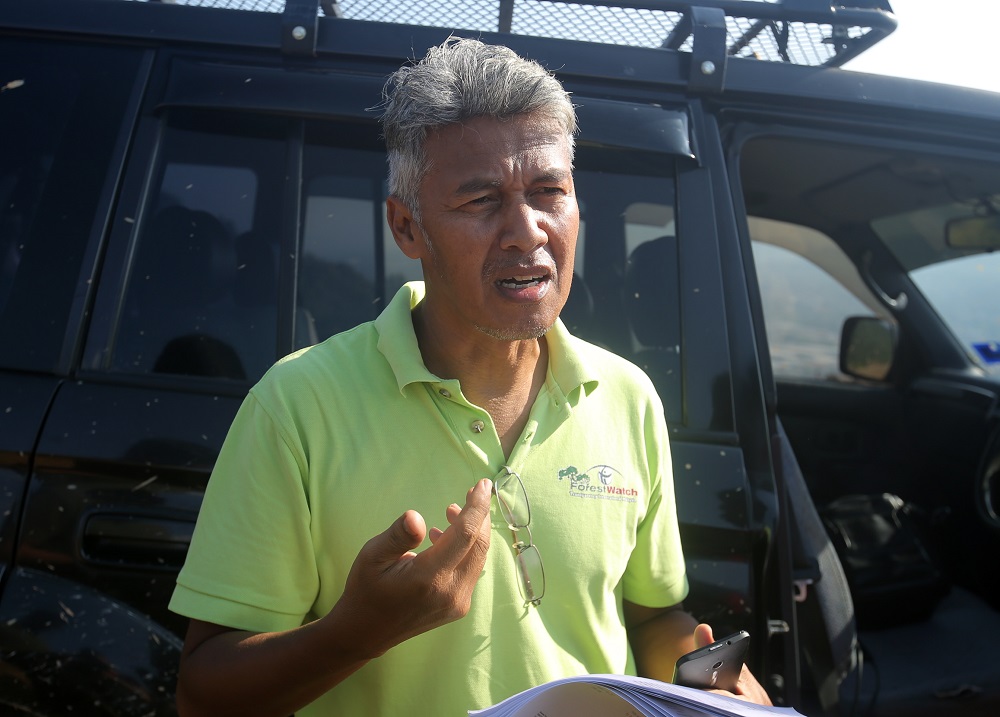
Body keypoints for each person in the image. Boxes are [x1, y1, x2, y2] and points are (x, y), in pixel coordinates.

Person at [169, 37, 771, 716]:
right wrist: (357, 633)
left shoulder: (626, 396)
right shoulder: (297, 404)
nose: (527, 231)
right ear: (407, 227)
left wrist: (712, 684)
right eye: (481, 200)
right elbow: (203, 693)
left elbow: (651, 616)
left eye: (549, 191)